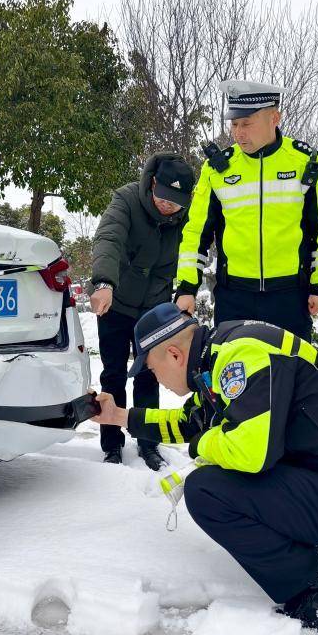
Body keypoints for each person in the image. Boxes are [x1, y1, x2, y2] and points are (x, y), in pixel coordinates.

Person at [91, 303, 318, 633]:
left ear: (174, 355)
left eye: (152, 370)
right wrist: (119, 418)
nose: (157, 380)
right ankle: (306, 559)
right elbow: (189, 422)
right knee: (220, 474)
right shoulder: (219, 356)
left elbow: (251, 454)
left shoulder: (242, 356)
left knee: (207, 490)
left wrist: (202, 444)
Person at [173, 80, 318, 340]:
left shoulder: (307, 163)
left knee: (291, 376)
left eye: (246, 123)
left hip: (289, 299)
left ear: (274, 117)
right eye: (234, 124)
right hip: (234, 299)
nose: (238, 133)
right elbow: (196, 233)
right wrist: (186, 287)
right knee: (235, 377)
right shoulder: (217, 170)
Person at [90, 154, 196, 470]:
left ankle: (148, 443)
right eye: (163, 196)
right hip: (117, 302)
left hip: (154, 310)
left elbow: (195, 252)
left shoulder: (189, 218)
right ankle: (111, 444)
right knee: (113, 374)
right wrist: (105, 282)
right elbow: (109, 239)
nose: (167, 205)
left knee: (150, 375)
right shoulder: (125, 200)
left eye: (176, 201)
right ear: (152, 183)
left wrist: (187, 289)